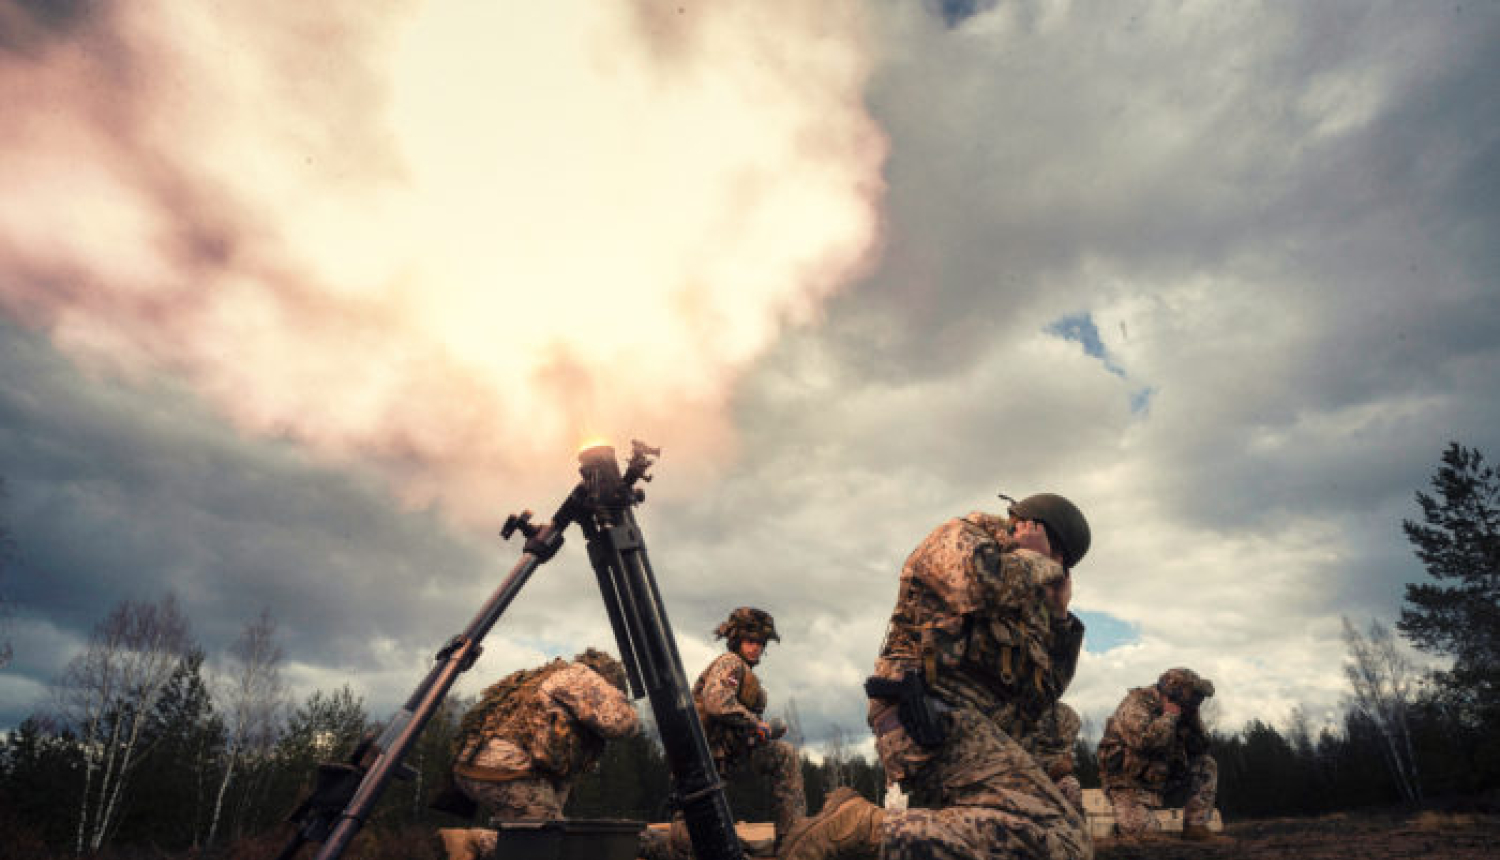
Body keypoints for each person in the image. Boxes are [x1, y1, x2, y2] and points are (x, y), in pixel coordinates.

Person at [783, 492, 1093, 860]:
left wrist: (1058, 619)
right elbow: (977, 584)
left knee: (1053, 811)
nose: (1057, 571)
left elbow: (1042, 696)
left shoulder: (1025, 597)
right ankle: (863, 830)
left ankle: (893, 830)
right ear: (1033, 530)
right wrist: (1034, 560)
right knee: (1066, 843)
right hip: (926, 718)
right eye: (1059, 560)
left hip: (974, 730)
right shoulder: (962, 537)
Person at [438, 649, 638, 860]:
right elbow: (622, 723)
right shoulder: (582, 677)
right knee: (551, 844)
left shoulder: (547, 675)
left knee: (539, 832)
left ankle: (472, 842)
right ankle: (475, 842)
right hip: (506, 770)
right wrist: (622, 701)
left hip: (473, 767)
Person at [1096, 667, 1223, 843]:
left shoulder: (1185, 712)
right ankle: (1123, 828)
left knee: (1206, 764)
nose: (1193, 706)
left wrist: (1195, 723)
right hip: (1129, 785)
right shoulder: (1136, 704)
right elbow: (1145, 742)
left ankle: (1196, 826)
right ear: (1171, 695)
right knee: (1148, 838)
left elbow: (1201, 748)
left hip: (1163, 780)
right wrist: (1169, 717)